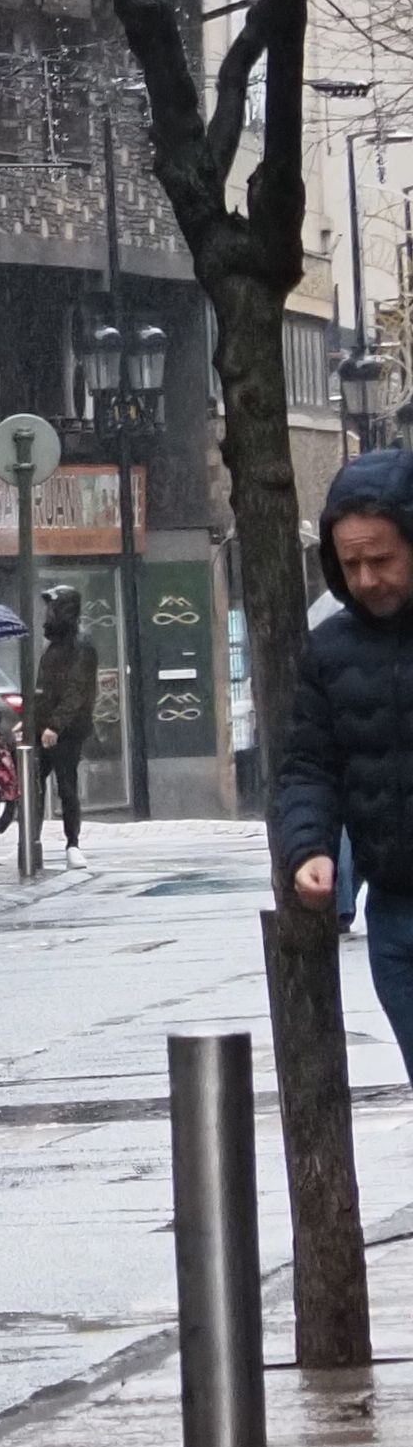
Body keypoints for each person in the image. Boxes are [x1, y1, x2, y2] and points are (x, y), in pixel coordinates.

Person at [276, 452, 413, 1058]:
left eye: (381, 559)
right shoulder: (330, 651)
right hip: (395, 907)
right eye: (350, 563)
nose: (366, 580)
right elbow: (309, 765)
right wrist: (309, 848)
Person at [29, 587, 100, 850]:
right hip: (47, 728)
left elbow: (76, 690)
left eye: (53, 608)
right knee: (34, 784)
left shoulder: (80, 645)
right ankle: (31, 839)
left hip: (67, 731)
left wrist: (56, 725)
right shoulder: (55, 646)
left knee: (66, 786)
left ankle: (72, 843)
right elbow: (43, 690)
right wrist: (32, 721)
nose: (48, 613)